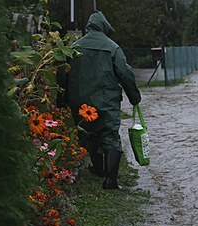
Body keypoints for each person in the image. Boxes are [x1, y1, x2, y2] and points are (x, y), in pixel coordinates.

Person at [58, 11, 141, 189]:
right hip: (106, 101)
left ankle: (98, 168)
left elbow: (61, 73)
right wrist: (134, 97)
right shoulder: (113, 48)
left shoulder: (73, 47)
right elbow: (125, 75)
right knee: (110, 135)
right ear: (104, 27)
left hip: (79, 100)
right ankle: (110, 180)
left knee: (88, 134)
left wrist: (61, 98)